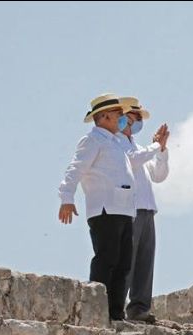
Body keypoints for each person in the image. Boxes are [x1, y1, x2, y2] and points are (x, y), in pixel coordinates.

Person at [58, 94, 135, 321]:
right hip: (105, 209)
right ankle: (97, 310)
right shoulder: (92, 140)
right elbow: (76, 168)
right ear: (104, 117)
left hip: (124, 209)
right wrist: (66, 196)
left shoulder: (117, 142)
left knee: (123, 263)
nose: (122, 119)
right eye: (118, 115)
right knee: (107, 259)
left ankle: (115, 312)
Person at [116, 97, 170, 323]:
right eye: (128, 120)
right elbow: (133, 161)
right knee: (126, 260)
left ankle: (139, 307)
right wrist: (155, 146)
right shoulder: (115, 144)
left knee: (145, 261)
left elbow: (159, 175)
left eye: (136, 121)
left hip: (147, 209)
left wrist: (162, 150)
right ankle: (117, 306)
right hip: (129, 209)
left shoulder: (140, 147)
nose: (132, 125)